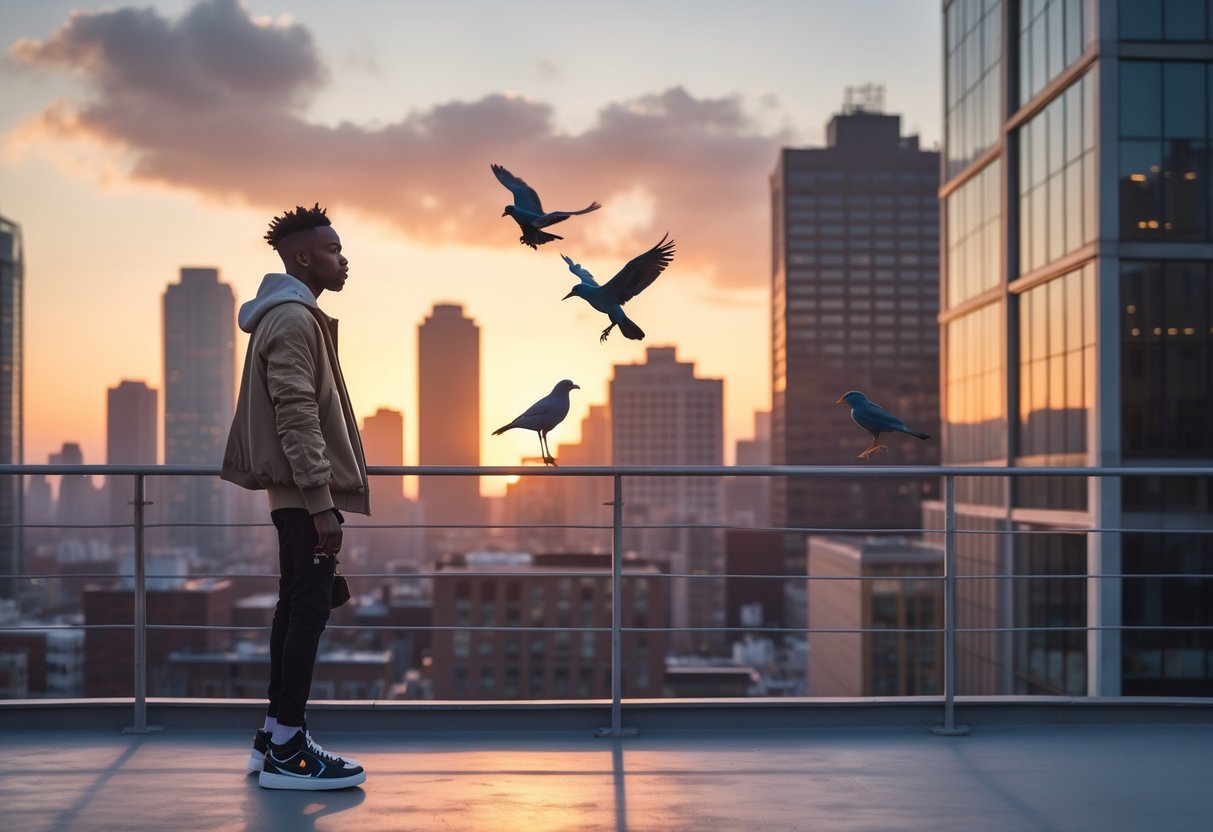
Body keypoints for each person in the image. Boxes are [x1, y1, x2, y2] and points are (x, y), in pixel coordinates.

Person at [222, 203, 370, 790]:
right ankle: (288, 747)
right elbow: (297, 414)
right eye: (333, 249)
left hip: (296, 495)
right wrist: (318, 501)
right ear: (303, 257)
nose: (343, 258)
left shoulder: (292, 316)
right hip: (304, 497)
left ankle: (272, 737)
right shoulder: (291, 319)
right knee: (306, 614)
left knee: (295, 609)